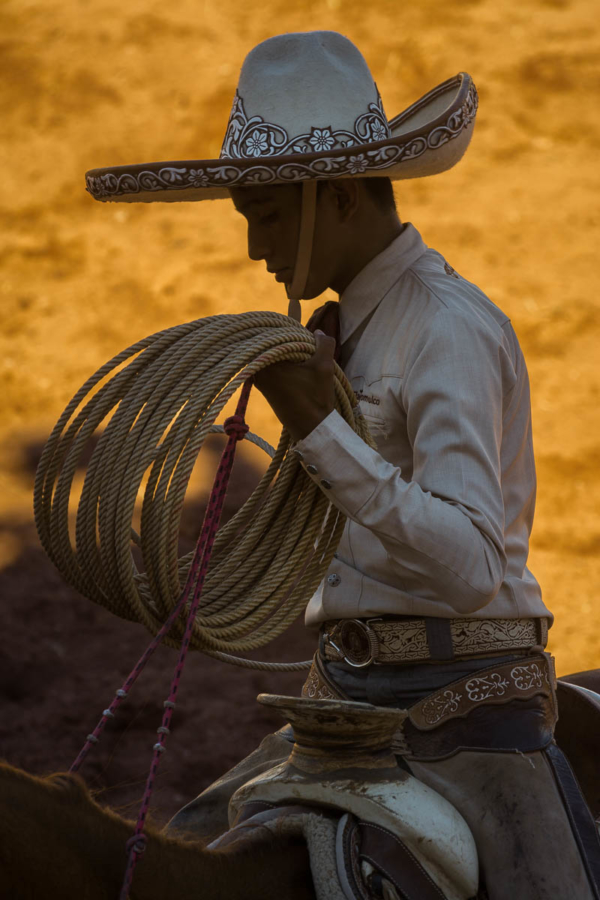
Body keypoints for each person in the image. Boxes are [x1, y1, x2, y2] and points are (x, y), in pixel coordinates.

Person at [86, 30, 600, 900]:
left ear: (341, 199)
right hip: (343, 704)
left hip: (471, 711)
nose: (256, 247)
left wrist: (323, 432)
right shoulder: (334, 338)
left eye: (270, 214)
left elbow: (474, 567)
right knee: (177, 865)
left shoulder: (447, 328)